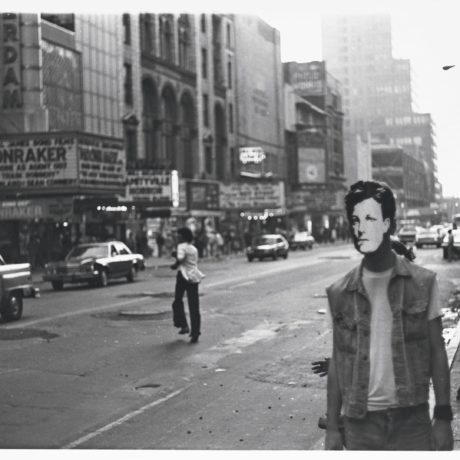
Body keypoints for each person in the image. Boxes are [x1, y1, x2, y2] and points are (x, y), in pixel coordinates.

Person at [325, 180, 453, 451]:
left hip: (412, 420)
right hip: (360, 423)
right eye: (355, 220)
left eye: (370, 218)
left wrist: (443, 416)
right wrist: (334, 428)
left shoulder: (422, 282)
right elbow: (338, 361)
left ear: (388, 225)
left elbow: (437, 351)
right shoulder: (339, 292)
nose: (361, 228)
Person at [170, 227, 205, 344]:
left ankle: (183, 325)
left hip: (183, 276)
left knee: (177, 301)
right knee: (194, 306)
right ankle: (195, 332)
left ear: (183, 236)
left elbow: (180, 259)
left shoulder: (181, 246)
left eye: (179, 235)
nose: (177, 237)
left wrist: (175, 259)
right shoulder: (194, 248)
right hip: (194, 277)